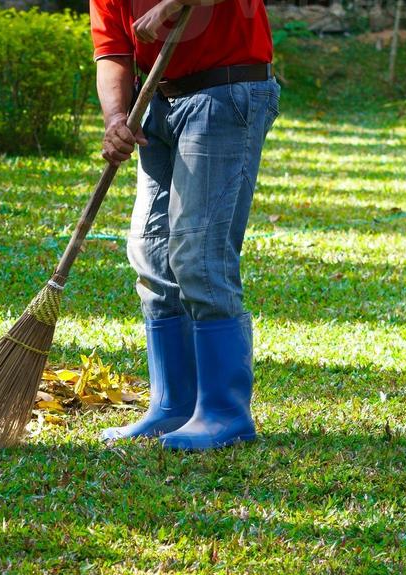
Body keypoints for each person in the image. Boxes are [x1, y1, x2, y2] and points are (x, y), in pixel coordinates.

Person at [92, 0, 280, 451]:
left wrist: (169, 7)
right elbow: (112, 50)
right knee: (151, 254)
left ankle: (224, 412)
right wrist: (117, 118)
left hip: (225, 93)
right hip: (156, 101)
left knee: (199, 254)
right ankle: (174, 405)